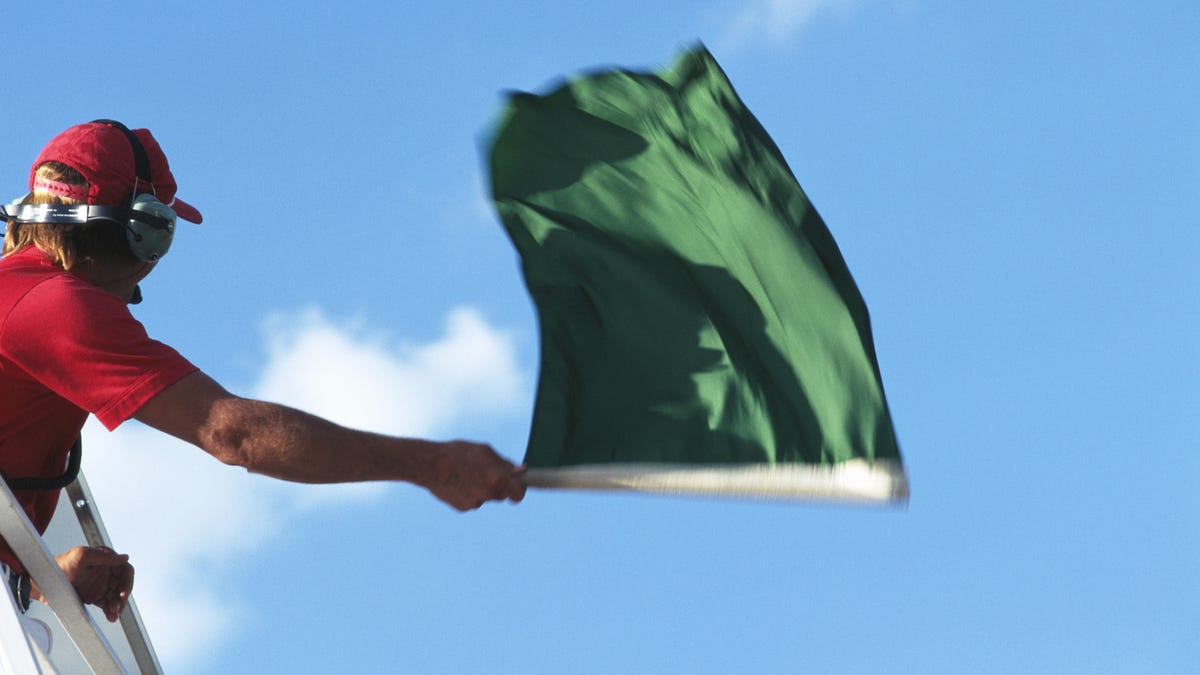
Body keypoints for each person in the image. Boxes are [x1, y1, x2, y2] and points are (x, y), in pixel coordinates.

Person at [0, 120, 526, 624]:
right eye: (162, 232)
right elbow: (235, 433)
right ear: (137, 233)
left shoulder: (19, 294)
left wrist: (36, 577)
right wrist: (428, 464)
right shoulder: (56, 307)